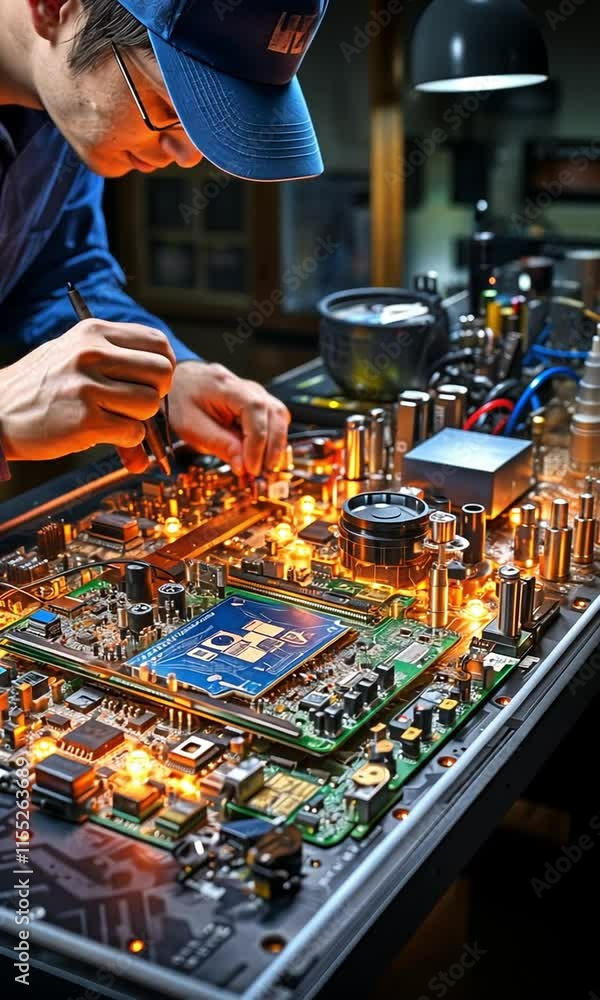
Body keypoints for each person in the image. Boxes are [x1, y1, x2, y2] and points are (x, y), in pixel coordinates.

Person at [0, 0, 328, 483]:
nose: (187, 155)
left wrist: (161, 378)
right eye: (170, 108)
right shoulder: (74, 97)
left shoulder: (61, 107)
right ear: (53, 9)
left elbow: (57, 277)